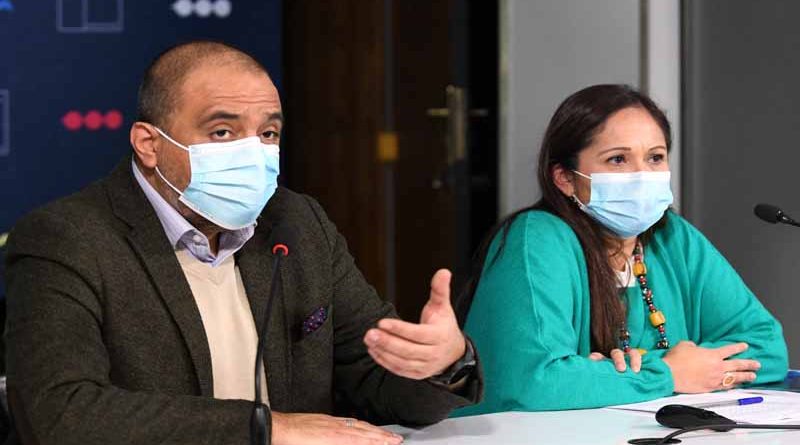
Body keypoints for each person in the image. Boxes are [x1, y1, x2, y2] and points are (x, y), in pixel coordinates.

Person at [4, 41, 481, 445]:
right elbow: (60, 413)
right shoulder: (66, 238)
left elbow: (373, 378)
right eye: (222, 131)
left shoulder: (297, 223)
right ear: (149, 144)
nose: (253, 152)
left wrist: (443, 364)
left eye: (268, 133)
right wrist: (267, 428)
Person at [453, 84, 787, 415]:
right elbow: (535, 382)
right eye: (618, 159)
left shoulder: (672, 236)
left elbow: (767, 348)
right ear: (565, 178)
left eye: (655, 157)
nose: (642, 175)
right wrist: (670, 373)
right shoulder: (536, 238)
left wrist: (694, 370)